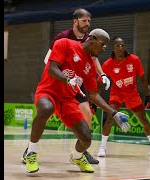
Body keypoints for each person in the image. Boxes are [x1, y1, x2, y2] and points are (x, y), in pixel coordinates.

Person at [21, 28, 131, 173]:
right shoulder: (64, 43)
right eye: (103, 44)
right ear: (91, 39)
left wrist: (114, 113)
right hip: (48, 92)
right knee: (47, 109)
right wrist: (67, 80)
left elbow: (92, 94)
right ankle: (31, 152)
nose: (104, 48)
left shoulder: (90, 65)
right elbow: (52, 68)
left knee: (86, 139)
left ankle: (77, 157)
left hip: (68, 100)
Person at [26, 8, 110, 165]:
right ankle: (31, 149)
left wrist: (102, 74)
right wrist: (65, 76)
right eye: (84, 20)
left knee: (87, 112)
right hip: (59, 79)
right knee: (46, 110)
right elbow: (49, 62)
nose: (87, 24)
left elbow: (93, 60)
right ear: (75, 21)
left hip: (76, 83)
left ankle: (81, 151)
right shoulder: (63, 38)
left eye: (89, 21)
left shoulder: (89, 41)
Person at [96, 37, 150, 157]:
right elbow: (99, 82)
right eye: (117, 46)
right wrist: (95, 97)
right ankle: (102, 147)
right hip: (116, 94)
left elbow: (142, 78)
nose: (120, 48)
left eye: (122, 45)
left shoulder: (134, 59)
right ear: (113, 48)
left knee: (144, 120)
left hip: (132, 94)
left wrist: (148, 95)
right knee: (110, 119)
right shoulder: (108, 64)